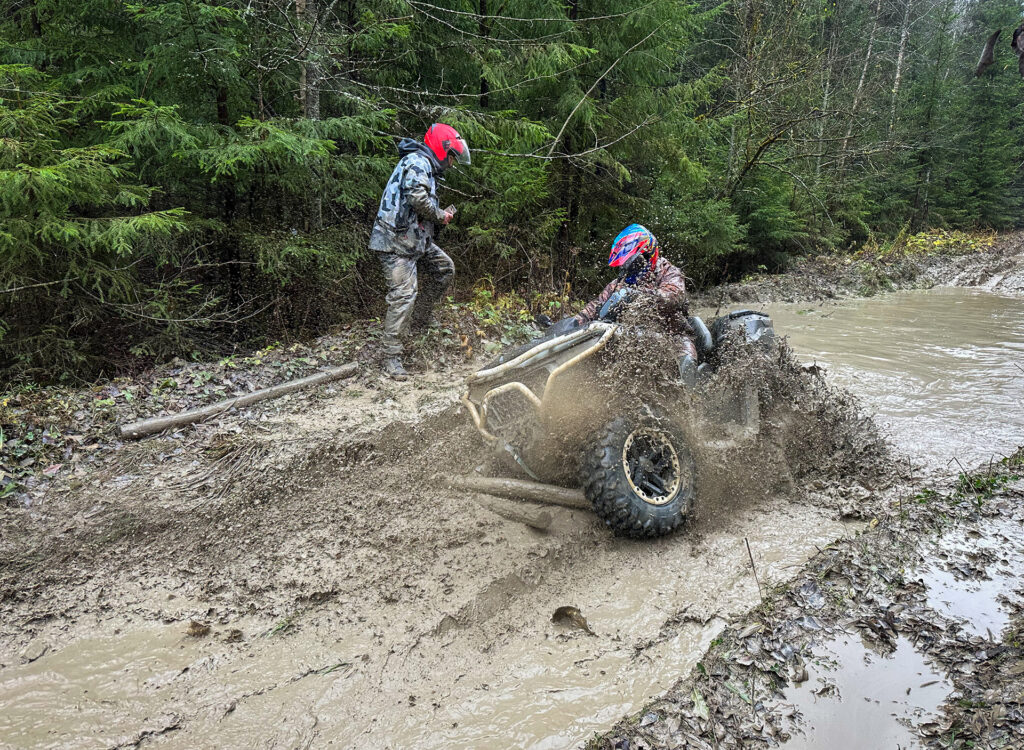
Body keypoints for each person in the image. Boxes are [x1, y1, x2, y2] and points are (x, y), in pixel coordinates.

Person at [369, 123, 471, 379]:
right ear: (441, 148)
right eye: (451, 157)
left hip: (414, 239)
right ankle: (391, 357)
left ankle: (421, 319)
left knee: (444, 268)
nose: (451, 163)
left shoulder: (424, 165)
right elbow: (417, 197)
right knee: (404, 295)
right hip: (395, 242)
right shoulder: (417, 162)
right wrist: (440, 215)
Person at [574, 224, 700, 383]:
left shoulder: (668, 272)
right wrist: (573, 322)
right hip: (631, 337)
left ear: (646, 255)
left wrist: (640, 295)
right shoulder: (618, 284)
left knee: (686, 363)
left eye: (631, 262)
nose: (627, 267)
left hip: (673, 337)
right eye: (625, 263)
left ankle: (692, 404)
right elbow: (596, 306)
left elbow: (674, 295)